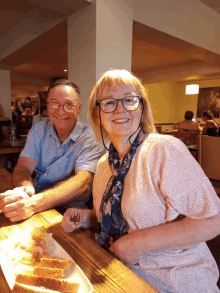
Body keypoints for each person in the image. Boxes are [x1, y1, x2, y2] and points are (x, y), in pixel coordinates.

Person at [62, 69, 220, 293]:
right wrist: (84, 219)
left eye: (129, 100)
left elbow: (213, 220)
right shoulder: (104, 163)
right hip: (118, 273)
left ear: (141, 108)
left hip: (173, 281)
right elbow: (112, 218)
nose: (120, 109)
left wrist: (141, 243)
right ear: (97, 114)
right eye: (109, 103)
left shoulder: (164, 150)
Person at [0, 78, 103, 222]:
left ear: (78, 108)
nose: (61, 111)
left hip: (70, 214)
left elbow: (83, 182)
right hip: (34, 203)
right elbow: (23, 167)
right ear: (47, 107)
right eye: (54, 104)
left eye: (68, 105)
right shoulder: (38, 130)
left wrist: (35, 203)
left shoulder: (90, 136)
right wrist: (26, 189)